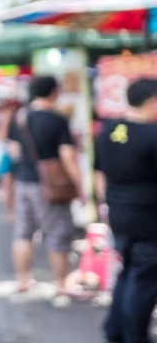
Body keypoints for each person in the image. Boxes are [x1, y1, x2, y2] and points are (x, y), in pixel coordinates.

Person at [7, 76, 84, 306]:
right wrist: (78, 184)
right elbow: (67, 156)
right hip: (51, 185)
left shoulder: (20, 117)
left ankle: (22, 280)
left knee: (23, 233)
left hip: (23, 181)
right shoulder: (58, 119)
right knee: (58, 234)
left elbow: (13, 152)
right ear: (54, 92)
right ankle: (61, 284)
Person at [95, 78, 157, 343]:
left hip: (118, 215)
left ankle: (115, 330)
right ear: (152, 102)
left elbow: (100, 174)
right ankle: (134, 335)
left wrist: (105, 205)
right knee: (143, 281)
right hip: (149, 220)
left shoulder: (108, 130)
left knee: (128, 272)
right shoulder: (152, 136)